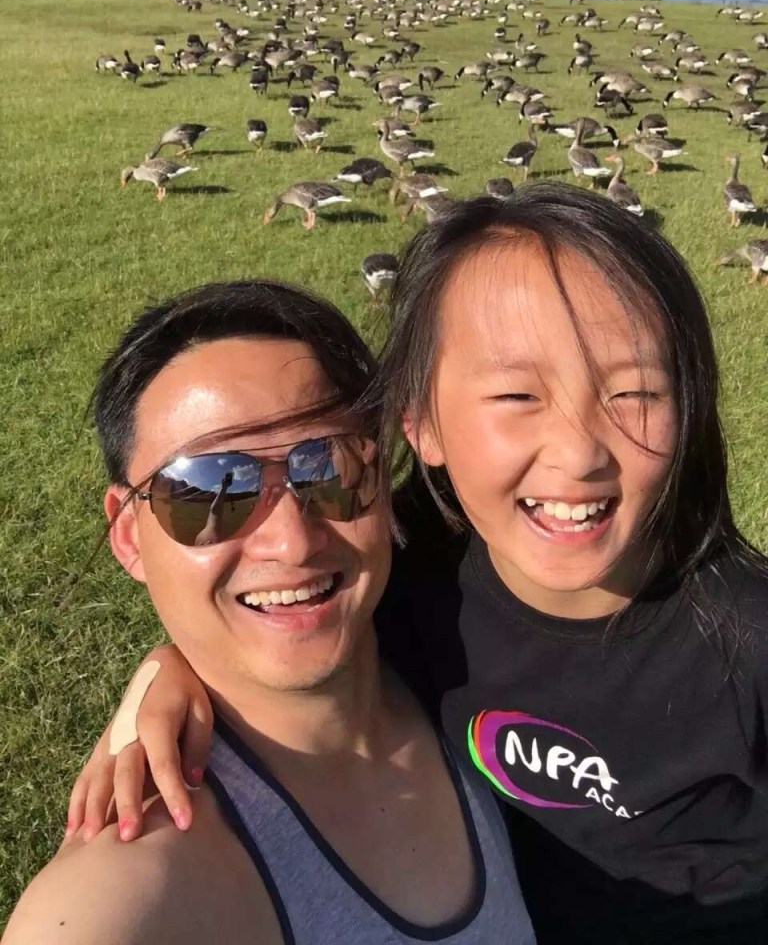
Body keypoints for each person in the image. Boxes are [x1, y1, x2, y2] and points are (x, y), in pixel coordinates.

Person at [68, 184, 768, 943]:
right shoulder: (414, 572)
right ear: (421, 424)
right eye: (517, 395)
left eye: (634, 391)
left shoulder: (746, 641)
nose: (578, 454)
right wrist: (170, 667)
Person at [3, 280, 535, 945]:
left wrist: (164, 665)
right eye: (208, 489)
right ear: (129, 535)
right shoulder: (133, 885)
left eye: (330, 468)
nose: (293, 541)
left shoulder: (450, 641)